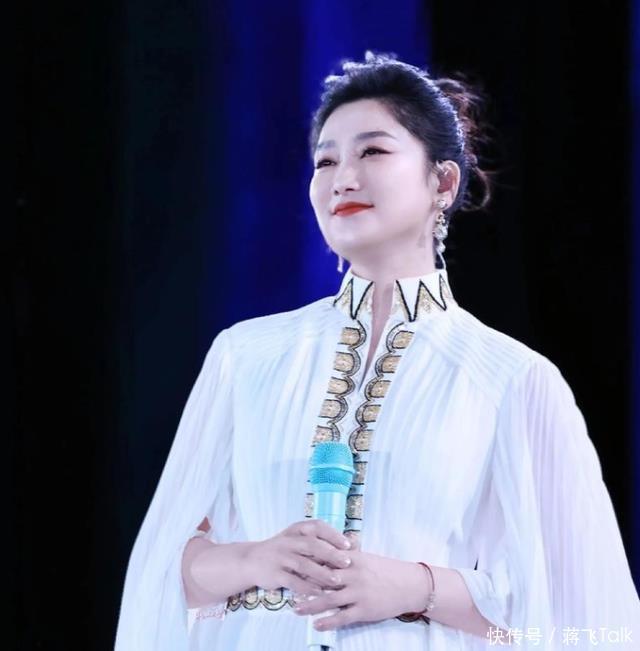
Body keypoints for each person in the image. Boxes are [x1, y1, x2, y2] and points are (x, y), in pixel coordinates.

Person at [114, 50, 640, 650]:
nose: (342, 177)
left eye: (372, 152)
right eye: (325, 160)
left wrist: (418, 587)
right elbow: (162, 573)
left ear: (443, 182)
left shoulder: (512, 380)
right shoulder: (245, 357)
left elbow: (588, 616)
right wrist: (255, 559)